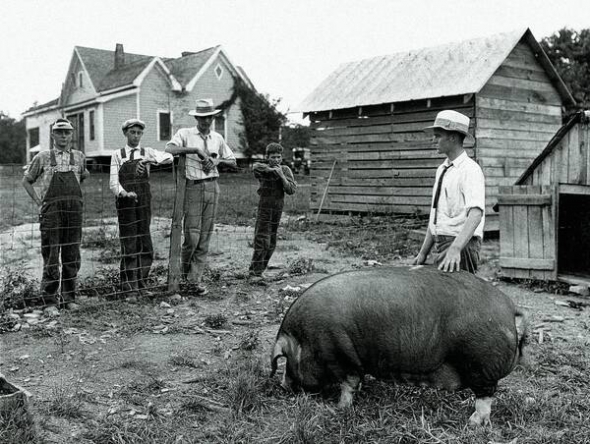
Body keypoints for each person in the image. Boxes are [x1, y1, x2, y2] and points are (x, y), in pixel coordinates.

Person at [165, 99, 237, 295]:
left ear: (213, 117)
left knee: (205, 237)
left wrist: (216, 160)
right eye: (202, 118)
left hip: (212, 187)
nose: (206, 122)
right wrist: (195, 150)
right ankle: (180, 275)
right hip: (193, 187)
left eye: (209, 118)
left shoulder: (217, 138)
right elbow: (169, 149)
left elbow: (232, 160)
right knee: (192, 236)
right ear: (196, 117)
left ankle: (193, 281)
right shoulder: (185, 134)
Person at [22, 118, 90, 311]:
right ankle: (49, 300)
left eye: (67, 132)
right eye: (59, 132)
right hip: (51, 212)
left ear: (71, 135)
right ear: (52, 135)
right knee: (51, 255)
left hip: (74, 212)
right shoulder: (43, 157)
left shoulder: (79, 157)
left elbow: (84, 175)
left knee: (72, 254)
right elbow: (26, 181)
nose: (63, 136)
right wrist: (39, 203)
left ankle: (69, 298)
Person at [412, 110, 485, 273]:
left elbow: (475, 215)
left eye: (438, 135)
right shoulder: (442, 169)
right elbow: (436, 217)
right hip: (441, 242)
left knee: (460, 296)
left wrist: (456, 248)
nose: (433, 140)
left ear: (452, 137)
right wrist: (424, 252)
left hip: (462, 245)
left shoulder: (470, 170)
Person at [109, 119, 173, 298]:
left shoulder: (147, 151)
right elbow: (113, 183)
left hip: (144, 201)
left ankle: (142, 283)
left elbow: (169, 157)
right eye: (132, 133)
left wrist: (149, 160)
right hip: (126, 202)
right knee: (129, 242)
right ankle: (129, 288)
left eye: (139, 133)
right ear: (125, 133)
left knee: (144, 241)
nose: (135, 136)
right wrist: (124, 193)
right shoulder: (118, 154)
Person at [249, 143, 297, 278]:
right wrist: (271, 170)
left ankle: (260, 269)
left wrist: (281, 175)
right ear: (267, 157)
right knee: (261, 239)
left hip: (277, 207)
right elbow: (256, 167)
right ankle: (254, 272)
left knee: (271, 240)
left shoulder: (286, 169)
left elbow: (291, 190)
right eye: (273, 157)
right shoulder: (263, 168)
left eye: (278, 157)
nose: (276, 160)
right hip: (264, 206)